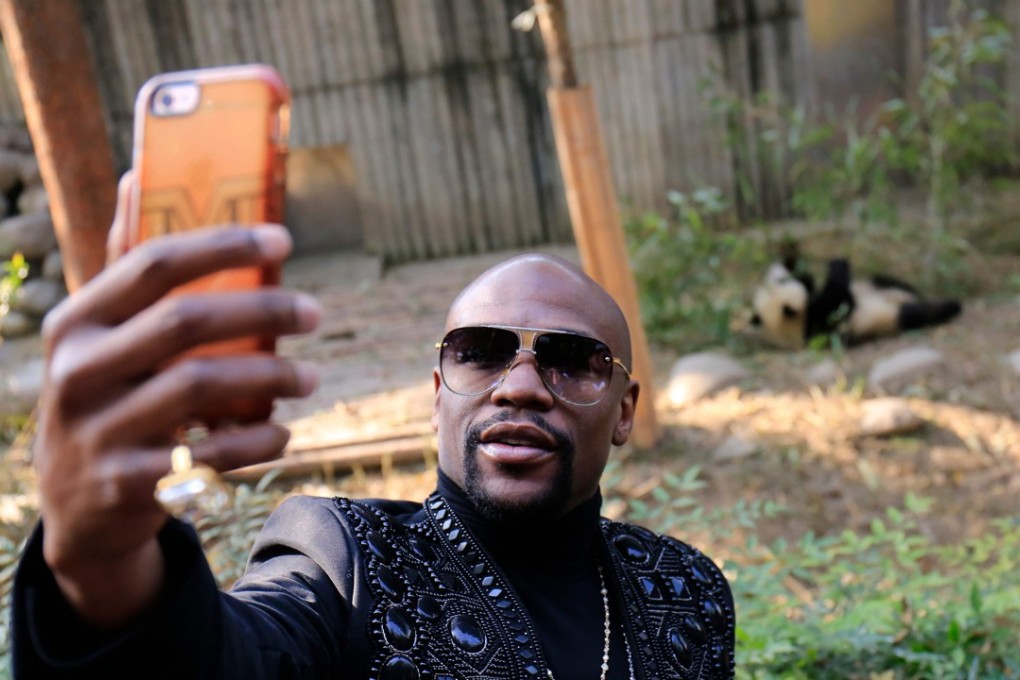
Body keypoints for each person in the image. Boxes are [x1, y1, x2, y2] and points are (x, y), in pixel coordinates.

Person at [11, 180, 736, 678]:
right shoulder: (345, 562)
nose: (519, 385)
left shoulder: (685, 589)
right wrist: (97, 554)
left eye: (573, 359)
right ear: (436, 396)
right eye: (479, 353)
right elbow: (224, 657)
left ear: (627, 410)